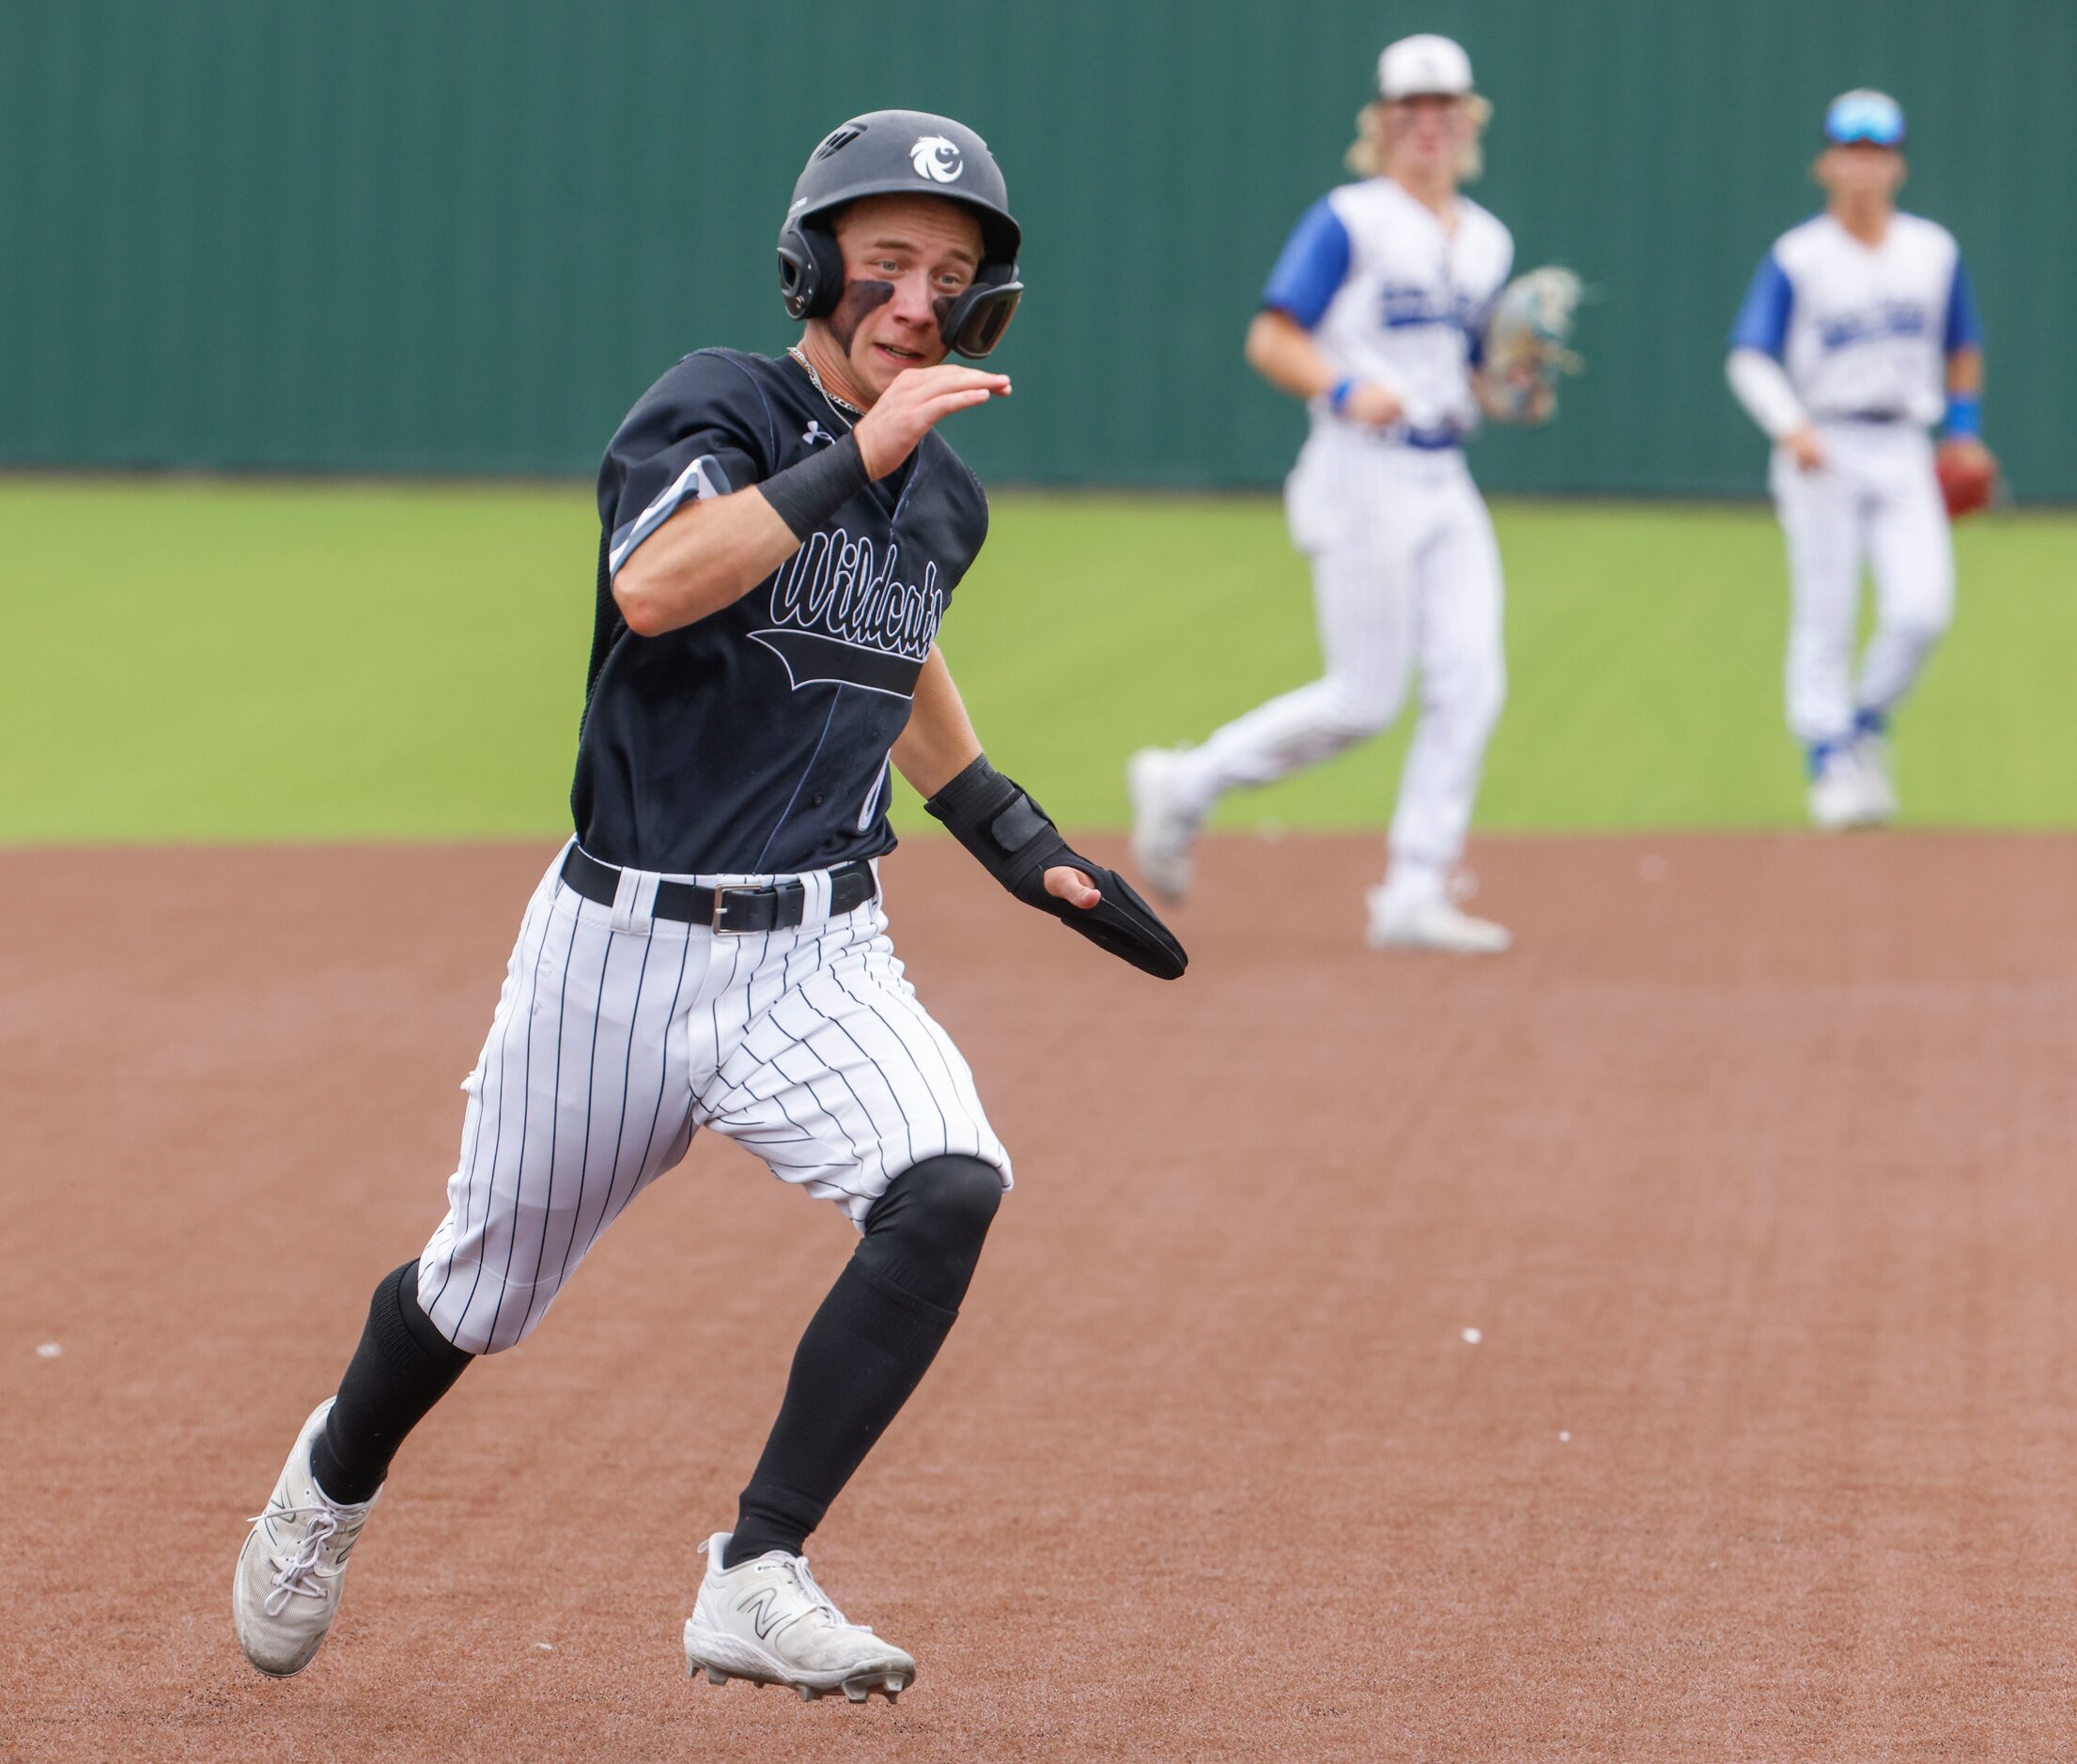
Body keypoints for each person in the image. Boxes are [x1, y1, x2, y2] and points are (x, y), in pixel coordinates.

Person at [232, 108, 1183, 1706]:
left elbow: (897, 651)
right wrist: (858, 453)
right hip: (618, 947)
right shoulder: (721, 404)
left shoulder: (942, 500)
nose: (914, 303)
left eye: (951, 277)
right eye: (884, 264)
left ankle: (757, 1566)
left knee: (948, 1181)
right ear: (812, 264)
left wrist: (1009, 830)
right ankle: (330, 1476)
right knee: (476, 1293)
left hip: (820, 941)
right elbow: (660, 583)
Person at [1127, 33, 1543, 954]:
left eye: (1444, 111)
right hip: (1362, 469)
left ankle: (1415, 888)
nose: (1428, 127)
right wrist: (1348, 387)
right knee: (1363, 697)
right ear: (1384, 124)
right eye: (1411, 112)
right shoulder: (1349, 219)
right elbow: (1272, 338)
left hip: (1445, 470)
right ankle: (1186, 782)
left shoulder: (1485, 240)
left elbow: (1474, 369)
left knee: (1473, 678)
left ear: (1468, 123)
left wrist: (1513, 387)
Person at [1726, 89, 1991, 829]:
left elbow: (1961, 345)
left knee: (1922, 608)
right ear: (1825, 163)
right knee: (1826, 614)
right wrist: (1789, 424)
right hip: (1825, 445)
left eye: (1878, 153)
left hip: (1903, 442)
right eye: (1851, 152)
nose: (1864, 167)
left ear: (1897, 166)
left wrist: (1962, 429)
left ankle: (1860, 723)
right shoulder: (1799, 257)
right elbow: (1747, 355)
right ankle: (1826, 760)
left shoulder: (1931, 251)